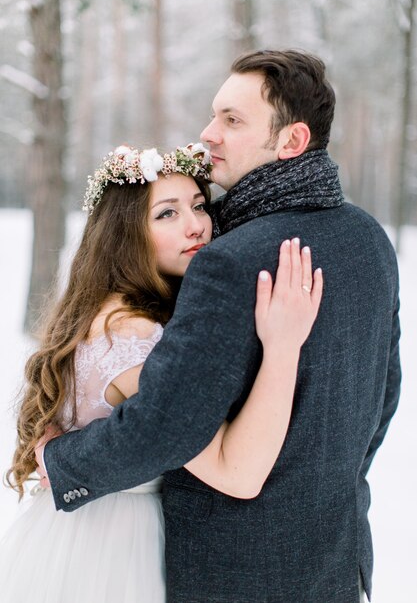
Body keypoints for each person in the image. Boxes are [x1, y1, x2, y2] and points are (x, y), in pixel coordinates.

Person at [37, 50, 400, 603]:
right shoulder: (369, 239)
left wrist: (61, 460)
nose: (209, 134)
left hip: (236, 573)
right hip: (337, 565)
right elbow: (381, 400)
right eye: (214, 115)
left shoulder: (232, 260)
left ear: (291, 141)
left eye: (232, 120)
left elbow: (164, 425)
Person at [1, 142, 322, 602]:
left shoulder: (112, 312)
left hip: (82, 532)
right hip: (114, 552)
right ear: (124, 235)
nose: (196, 225)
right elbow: (238, 472)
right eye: (166, 214)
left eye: (197, 205)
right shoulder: (133, 336)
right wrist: (283, 345)